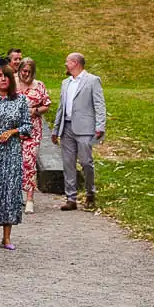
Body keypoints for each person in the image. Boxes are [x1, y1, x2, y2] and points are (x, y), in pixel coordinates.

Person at [0, 63, 31, 250]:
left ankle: (7, 236)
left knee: (10, 189)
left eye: (6, 76)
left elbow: (28, 125)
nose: (3, 79)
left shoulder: (20, 101)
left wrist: (12, 131)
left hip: (11, 151)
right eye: (0, 75)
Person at [52, 52, 107, 211]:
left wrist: (100, 126)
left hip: (85, 128)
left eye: (67, 62)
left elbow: (99, 104)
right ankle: (71, 197)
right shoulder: (65, 83)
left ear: (76, 63)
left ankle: (90, 192)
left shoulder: (92, 81)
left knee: (86, 162)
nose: (65, 65)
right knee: (68, 163)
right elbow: (61, 108)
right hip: (66, 127)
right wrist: (56, 129)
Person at [16, 58, 51, 212]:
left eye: (29, 72)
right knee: (14, 162)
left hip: (32, 129)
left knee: (29, 161)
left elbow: (46, 105)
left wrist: (35, 111)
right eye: (24, 71)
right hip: (14, 129)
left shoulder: (39, 85)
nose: (26, 74)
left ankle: (30, 197)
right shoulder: (12, 83)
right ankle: (15, 196)